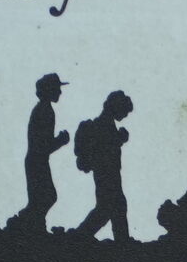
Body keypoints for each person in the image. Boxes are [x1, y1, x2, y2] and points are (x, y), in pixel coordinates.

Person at [68, 90, 136, 242]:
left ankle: (121, 241)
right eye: (124, 111)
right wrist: (120, 139)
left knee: (112, 207)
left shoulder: (107, 124)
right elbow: (104, 149)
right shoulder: (103, 125)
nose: (124, 116)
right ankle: (81, 237)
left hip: (109, 174)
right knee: (108, 208)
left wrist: (118, 139)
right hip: (106, 174)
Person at [14, 72, 66, 230]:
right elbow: (43, 145)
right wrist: (61, 141)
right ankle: (23, 222)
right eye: (57, 88)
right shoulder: (45, 111)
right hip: (37, 160)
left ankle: (32, 226)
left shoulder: (43, 109)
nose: (60, 92)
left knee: (43, 198)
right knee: (46, 197)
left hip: (37, 160)